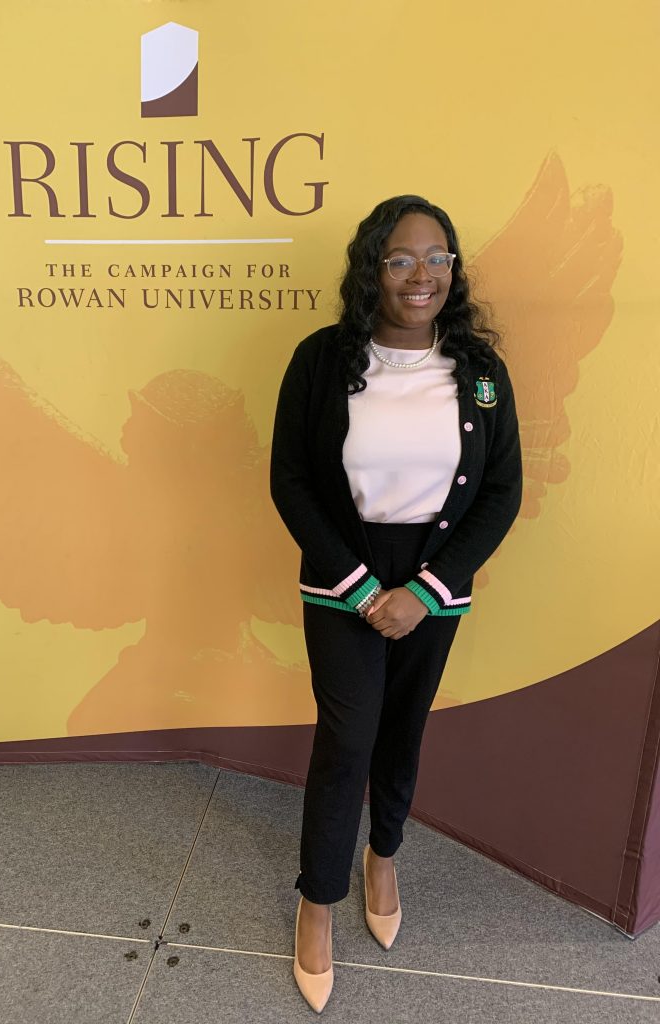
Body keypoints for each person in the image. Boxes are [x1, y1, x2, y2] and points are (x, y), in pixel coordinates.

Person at [269, 195, 523, 1013]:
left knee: (404, 729)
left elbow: (501, 492)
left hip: (433, 583)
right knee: (347, 739)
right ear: (371, 268)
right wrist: (364, 587)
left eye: (439, 257)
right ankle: (317, 899)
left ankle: (383, 854)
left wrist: (424, 592)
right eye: (403, 259)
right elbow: (291, 481)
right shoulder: (320, 360)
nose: (424, 275)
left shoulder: (480, 372)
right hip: (344, 578)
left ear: (455, 266)